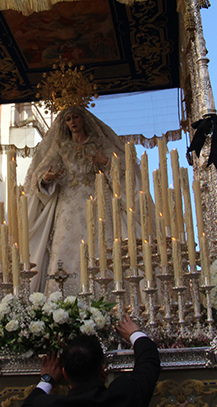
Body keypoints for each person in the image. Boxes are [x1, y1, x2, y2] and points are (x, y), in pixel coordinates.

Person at [26, 106, 140, 293]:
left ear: (83, 119)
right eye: (68, 119)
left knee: (100, 245)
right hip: (68, 206)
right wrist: (47, 178)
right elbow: (38, 176)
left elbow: (123, 169)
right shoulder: (60, 147)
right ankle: (60, 300)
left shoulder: (98, 143)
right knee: (65, 248)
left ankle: (105, 295)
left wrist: (104, 161)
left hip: (98, 201)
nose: (72, 122)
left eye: (75, 117)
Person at [21, 314, 160, 407]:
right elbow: (149, 362)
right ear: (102, 370)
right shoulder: (124, 396)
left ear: (65, 374)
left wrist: (46, 380)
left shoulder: (46, 404)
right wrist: (134, 333)